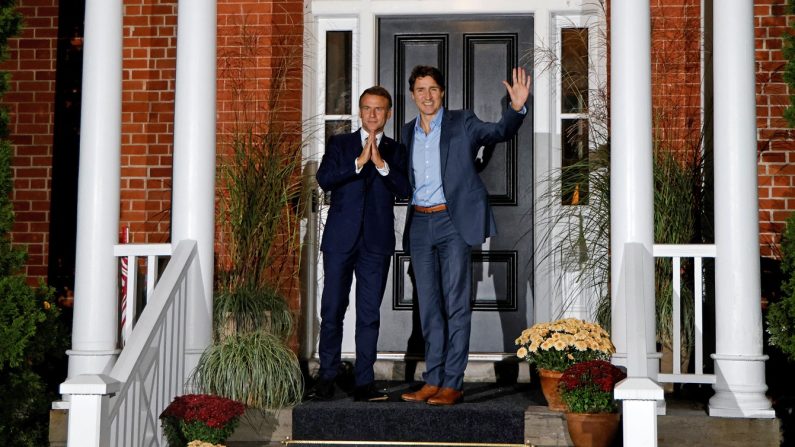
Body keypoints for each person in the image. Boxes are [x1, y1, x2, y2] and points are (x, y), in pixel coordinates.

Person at [399, 65, 531, 405]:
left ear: (442, 92)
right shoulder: (407, 131)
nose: (427, 95)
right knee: (429, 307)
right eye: (420, 89)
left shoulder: (463, 122)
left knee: (455, 304)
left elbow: (498, 132)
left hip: (451, 222)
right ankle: (433, 379)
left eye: (433, 89)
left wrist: (516, 109)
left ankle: (453, 383)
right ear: (412, 95)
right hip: (420, 225)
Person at [308, 86, 411, 402]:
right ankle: (327, 377)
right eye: (367, 108)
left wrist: (380, 164)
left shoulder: (396, 150)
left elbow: (406, 187)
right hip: (340, 239)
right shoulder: (340, 144)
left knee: (369, 314)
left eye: (379, 109)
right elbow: (324, 179)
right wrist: (358, 161)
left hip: (376, 242)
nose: (372, 114)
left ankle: (364, 382)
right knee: (332, 309)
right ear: (360, 111)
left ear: (388, 114)